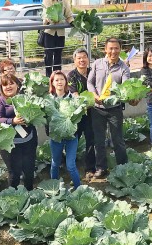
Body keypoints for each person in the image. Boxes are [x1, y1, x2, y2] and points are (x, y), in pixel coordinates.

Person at [87, 37, 130, 178]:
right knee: (98, 140)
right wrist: (94, 95)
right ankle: (101, 168)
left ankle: (123, 167)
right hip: (97, 108)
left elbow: (125, 87)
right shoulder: (97, 63)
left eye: (116, 48)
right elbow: (90, 82)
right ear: (105, 49)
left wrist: (119, 95)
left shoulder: (124, 68)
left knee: (118, 140)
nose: (113, 51)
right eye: (110, 48)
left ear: (120, 49)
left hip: (114, 109)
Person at [0, 73, 37, 190]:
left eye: (11, 83)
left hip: (28, 140)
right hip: (10, 144)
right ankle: (13, 197)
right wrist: (13, 121)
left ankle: (30, 194)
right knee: (14, 173)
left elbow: (37, 111)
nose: (8, 87)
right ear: (1, 88)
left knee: (29, 171)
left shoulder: (26, 98)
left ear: (18, 85)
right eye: (5, 85)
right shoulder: (0, 101)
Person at [48, 70, 81, 189]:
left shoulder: (72, 97)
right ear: (52, 83)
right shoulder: (48, 99)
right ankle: (53, 188)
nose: (59, 82)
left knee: (71, 165)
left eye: (62, 79)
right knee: (55, 163)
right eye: (56, 80)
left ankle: (79, 189)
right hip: (56, 137)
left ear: (66, 81)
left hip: (71, 136)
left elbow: (78, 114)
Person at [67, 47, 96, 179]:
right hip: (78, 114)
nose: (82, 60)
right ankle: (70, 166)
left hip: (92, 113)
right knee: (74, 140)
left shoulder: (92, 72)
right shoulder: (71, 75)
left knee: (91, 140)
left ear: (88, 59)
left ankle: (90, 168)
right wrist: (87, 101)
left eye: (84, 57)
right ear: (74, 61)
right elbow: (75, 95)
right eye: (79, 58)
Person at [41, 0, 74, 77]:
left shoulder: (64, 1)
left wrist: (74, 23)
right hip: (49, 32)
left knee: (58, 56)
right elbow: (47, 14)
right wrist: (53, 20)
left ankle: (58, 77)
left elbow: (68, 14)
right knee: (48, 57)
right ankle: (48, 78)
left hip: (60, 33)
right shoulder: (46, 0)